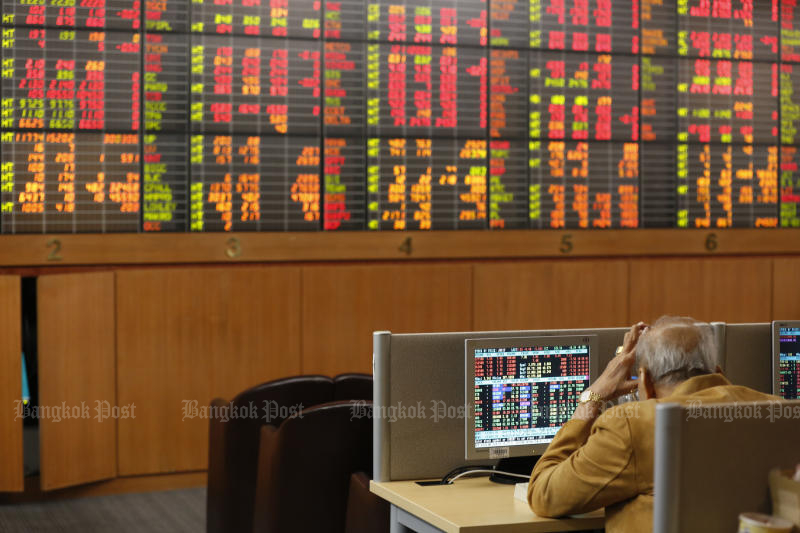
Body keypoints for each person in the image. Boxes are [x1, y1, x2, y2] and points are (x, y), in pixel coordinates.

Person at [527, 316, 779, 533]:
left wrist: (593, 397)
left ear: (645, 382)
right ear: (717, 370)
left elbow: (544, 493)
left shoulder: (632, 425)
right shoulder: (779, 410)